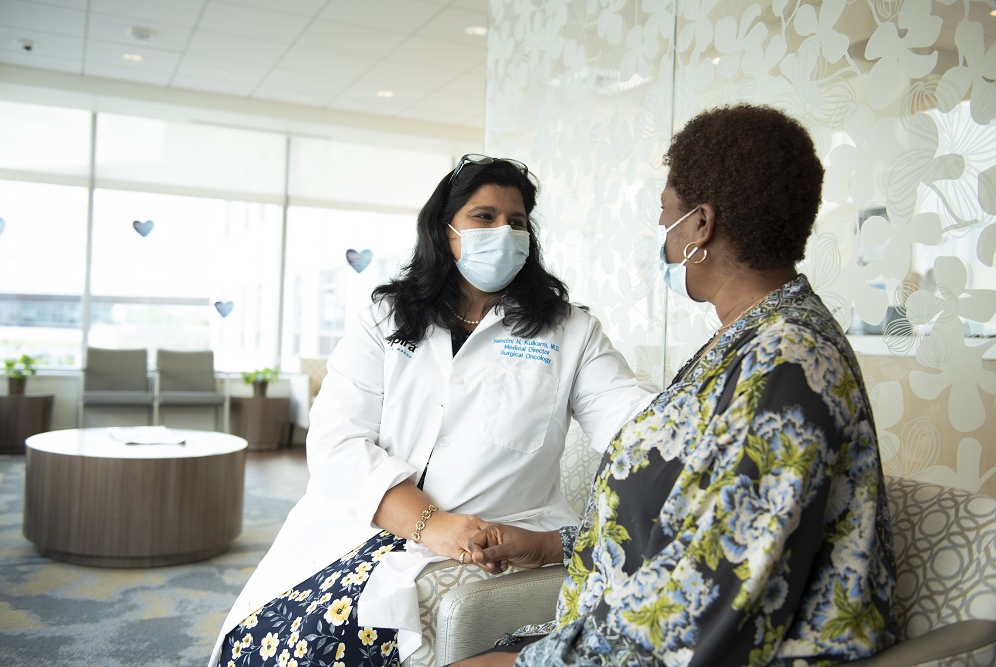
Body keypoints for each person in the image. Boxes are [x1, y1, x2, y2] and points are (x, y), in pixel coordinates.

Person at [451, 105, 898, 667]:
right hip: (621, 626)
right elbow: (683, 516)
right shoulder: (741, 342)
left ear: (700, 226)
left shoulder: (789, 362)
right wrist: (546, 545)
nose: (662, 238)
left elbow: (711, 601)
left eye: (667, 217)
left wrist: (534, 662)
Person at [210, 154, 660, 667]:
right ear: (444, 231)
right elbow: (337, 441)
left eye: (517, 222)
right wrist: (432, 524)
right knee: (261, 639)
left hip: (491, 538)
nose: (504, 232)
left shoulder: (569, 331)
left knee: (339, 644)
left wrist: (705, 409)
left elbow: (633, 421)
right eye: (484, 217)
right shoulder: (385, 318)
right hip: (370, 523)